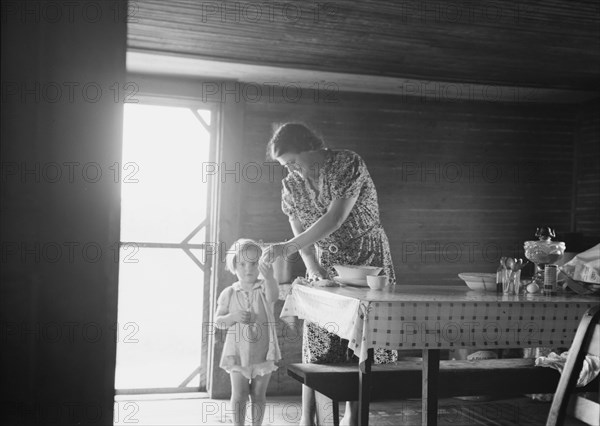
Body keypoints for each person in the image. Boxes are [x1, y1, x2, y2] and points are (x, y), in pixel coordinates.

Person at [259, 123, 397, 426]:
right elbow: (297, 222)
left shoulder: (346, 163)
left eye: (294, 160)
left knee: (362, 345)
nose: (292, 169)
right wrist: (310, 264)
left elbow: (335, 218)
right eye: (286, 165)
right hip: (325, 263)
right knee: (323, 340)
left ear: (312, 146)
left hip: (367, 259)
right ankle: (315, 419)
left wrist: (288, 248)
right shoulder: (292, 183)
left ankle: (354, 416)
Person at [215, 239, 282, 426]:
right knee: (239, 394)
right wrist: (232, 317)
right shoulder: (229, 292)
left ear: (262, 265)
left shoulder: (264, 288)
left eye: (254, 263)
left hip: (263, 351)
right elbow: (218, 321)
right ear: (234, 265)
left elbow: (274, 297)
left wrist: (270, 278)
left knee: (258, 394)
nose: (248, 269)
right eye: (242, 264)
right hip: (237, 352)